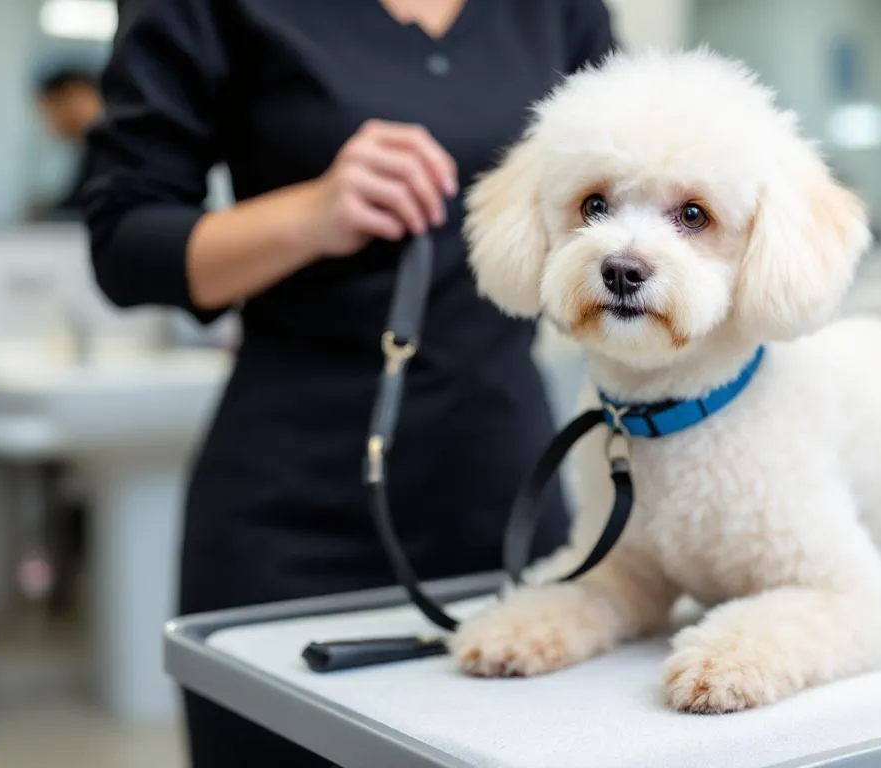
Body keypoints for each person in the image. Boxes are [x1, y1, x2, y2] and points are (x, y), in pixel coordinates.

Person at [81, 1, 616, 765]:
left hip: (505, 499)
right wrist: (311, 214)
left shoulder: (559, 12)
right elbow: (125, 244)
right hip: (291, 516)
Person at [34, 67, 104, 219]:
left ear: (76, 96)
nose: (48, 120)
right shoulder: (90, 151)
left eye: (50, 108)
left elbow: (86, 207)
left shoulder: (111, 152)